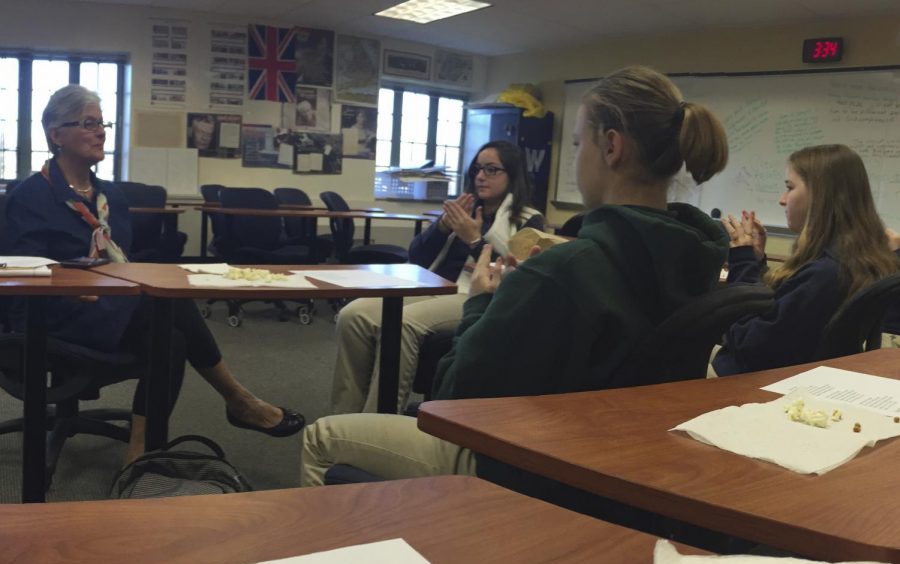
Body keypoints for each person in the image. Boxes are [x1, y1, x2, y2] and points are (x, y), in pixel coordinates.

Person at [300, 65, 730, 486]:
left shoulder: (564, 270)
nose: (576, 157)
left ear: (611, 147)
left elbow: (454, 399)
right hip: (626, 466)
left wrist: (481, 304)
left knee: (324, 438)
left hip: (531, 464)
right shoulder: (699, 259)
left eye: (579, 143)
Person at [2, 85, 304, 464]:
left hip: (109, 307)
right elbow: (17, 276)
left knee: (172, 336)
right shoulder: (29, 197)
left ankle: (139, 453)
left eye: (102, 123)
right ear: (55, 134)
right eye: (88, 123)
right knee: (164, 302)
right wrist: (73, 290)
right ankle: (238, 399)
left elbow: (121, 262)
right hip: (53, 316)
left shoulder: (109, 197)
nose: (101, 132)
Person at [329, 140, 544, 415]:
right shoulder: (464, 207)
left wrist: (475, 240)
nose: (480, 176)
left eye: (491, 170)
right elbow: (417, 256)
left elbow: (517, 277)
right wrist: (441, 227)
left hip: (475, 295)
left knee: (402, 324)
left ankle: (376, 421)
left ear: (513, 175)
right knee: (353, 314)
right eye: (477, 169)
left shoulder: (528, 220)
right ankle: (344, 418)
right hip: (435, 286)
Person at [712, 144, 899, 376]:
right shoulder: (855, 261)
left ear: (820, 197)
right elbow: (778, 315)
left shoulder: (825, 274)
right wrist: (757, 262)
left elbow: (746, 340)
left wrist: (742, 262)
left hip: (754, 381)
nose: (782, 200)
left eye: (789, 188)